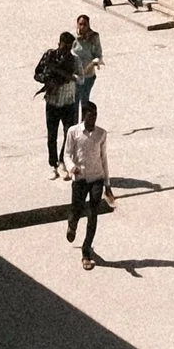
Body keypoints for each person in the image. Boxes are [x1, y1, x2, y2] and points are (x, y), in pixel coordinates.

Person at [64, 98, 111, 269]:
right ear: (84, 116)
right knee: (76, 208)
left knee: (93, 213)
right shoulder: (73, 132)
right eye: (91, 116)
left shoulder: (101, 133)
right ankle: (72, 224)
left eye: (96, 116)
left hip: (96, 178)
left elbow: (103, 157)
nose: (94, 119)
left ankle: (86, 251)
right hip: (80, 178)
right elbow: (67, 154)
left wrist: (107, 182)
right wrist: (71, 168)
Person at [34, 32, 79, 174]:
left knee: (68, 133)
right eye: (65, 47)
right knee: (52, 135)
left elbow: (77, 77)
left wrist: (64, 76)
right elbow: (37, 73)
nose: (67, 51)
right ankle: (53, 164)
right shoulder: (49, 56)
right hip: (52, 102)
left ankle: (62, 160)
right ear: (59, 44)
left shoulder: (73, 60)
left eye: (69, 48)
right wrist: (46, 80)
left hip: (68, 101)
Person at [70, 13, 103, 114]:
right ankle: (74, 127)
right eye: (80, 24)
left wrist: (92, 64)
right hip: (74, 76)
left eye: (85, 24)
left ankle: (85, 125)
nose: (82, 27)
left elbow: (98, 55)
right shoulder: (73, 37)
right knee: (74, 104)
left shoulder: (94, 37)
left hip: (87, 76)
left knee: (84, 102)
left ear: (88, 25)